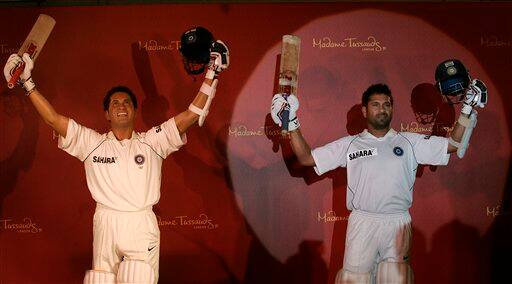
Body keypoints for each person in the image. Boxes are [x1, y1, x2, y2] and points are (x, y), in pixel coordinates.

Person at [3, 38, 229, 283]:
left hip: (141, 224)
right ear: (107, 114)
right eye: (115, 103)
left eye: (126, 103)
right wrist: (27, 82)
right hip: (106, 223)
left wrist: (211, 73)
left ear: (133, 110)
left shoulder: (153, 142)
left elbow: (190, 115)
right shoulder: (91, 143)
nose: (121, 106)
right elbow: (53, 120)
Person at [270, 80, 487, 283]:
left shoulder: (409, 141)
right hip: (363, 224)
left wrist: (467, 107)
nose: (382, 109)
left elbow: (453, 144)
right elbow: (307, 158)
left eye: (386, 105)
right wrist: (291, 123)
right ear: (365, 111)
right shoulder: (350, 144)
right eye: (375, 104)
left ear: (392, 109)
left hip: (398, 224)